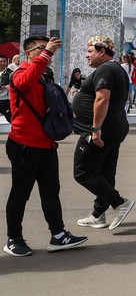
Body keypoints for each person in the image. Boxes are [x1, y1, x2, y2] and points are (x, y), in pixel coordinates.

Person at [4, 35, 87, 256]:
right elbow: (24, 83)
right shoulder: (20, 74)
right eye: (40, 49)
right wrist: (47, 52)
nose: (46, 54)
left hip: (46, 145)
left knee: (51, 192)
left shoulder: (43, 75)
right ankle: (14, 238)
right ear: (28, 53)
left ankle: (58, 235)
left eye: (48, 49)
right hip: (23, 145)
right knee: (20, 194)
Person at [73, 36, 136, 231]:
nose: (86, 55)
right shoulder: (116, 69)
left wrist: (95, 128)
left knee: (83, 171)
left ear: (102, 51)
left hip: (102, 130)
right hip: (113, 127)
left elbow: (102, 98)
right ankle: (98, 214)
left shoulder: (106, 69)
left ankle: (119, 203)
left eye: (90, 51)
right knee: (106, 171)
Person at [0, 54, 12, 122]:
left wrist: (6, 87)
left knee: (9, 117)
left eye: (4, 61)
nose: (2, 63)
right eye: (1, 61)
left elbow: (14, 84)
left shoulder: (9, 72)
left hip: (5, 99)